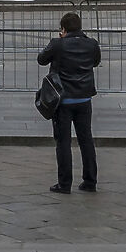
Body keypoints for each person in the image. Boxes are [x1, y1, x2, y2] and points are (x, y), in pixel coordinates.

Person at [39, 12, 101, 193]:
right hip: (84, 99)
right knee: (86, 140)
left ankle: (64, 183)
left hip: (63, 100)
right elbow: (95, 62)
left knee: (63, 142)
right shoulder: (92, 44)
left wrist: (59, 41)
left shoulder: (58, 44)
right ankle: (90, 181)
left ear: (63, 29)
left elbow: (41, 59)